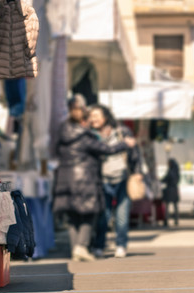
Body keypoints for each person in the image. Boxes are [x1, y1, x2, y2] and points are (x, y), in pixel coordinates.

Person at [52, 95, 135, 262]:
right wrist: (125, 144)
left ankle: (76, 249)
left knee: (73, 216)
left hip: (65, 179)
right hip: (84, 180)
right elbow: (106, 149)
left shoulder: (63, 131)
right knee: (89, 214)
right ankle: (81, 246)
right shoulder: (84, 135)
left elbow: (54, 152)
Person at [87, 104, 138, 259]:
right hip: (102, 180)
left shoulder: (122, 132)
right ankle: (99, 245)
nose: (93, 119)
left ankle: (121, 245)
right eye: (91, 116)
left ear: (106, 117)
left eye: (97, 115)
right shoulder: (90, 135)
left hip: (123, 178)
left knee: (122, 216)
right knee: (104, 216)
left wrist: (137, 172)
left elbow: (134, 152)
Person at [162, 158, 180, 227]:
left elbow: (166, 178)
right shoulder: (176, 171)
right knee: (174, 206)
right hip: (174, 189)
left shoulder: (171, 171)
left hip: (170, 190)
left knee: (167, 206)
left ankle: (166, 220)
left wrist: (161, 180)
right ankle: (175, 220)